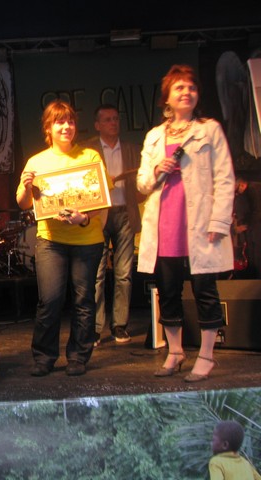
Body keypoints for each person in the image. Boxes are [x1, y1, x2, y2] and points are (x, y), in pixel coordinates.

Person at [136, 64, 234, 382]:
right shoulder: (154, 136)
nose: (187, 92)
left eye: (191, 87)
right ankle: (175, 351)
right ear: (167, 96)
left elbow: (225, 177)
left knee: (205, 288)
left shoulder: (209, 130)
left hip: (200, 221)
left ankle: (206, 355)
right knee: (168, 290)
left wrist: (219, 221)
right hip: (164, 221)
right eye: (179, 87)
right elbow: (141, 183)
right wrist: (157, 170)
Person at [16, 100, 109, 377]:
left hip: (87, 239)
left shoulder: (90, 157)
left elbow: (101, 199)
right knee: (50, 300)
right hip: (50, 240)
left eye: (70, 121)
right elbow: (22, 203)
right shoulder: (36, 162)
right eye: (59, 122)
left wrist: (84, 218)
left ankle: (78, 357)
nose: (66, 126)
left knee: (84, 301)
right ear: (48, 127)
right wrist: (26, 186)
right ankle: (44, 357)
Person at [81, 104, 143, 346]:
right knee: (96, 274)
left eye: (116, 119)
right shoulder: (88, 150)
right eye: (107, 119)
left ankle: (119, 325)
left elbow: (142, 183)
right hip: (99, 214)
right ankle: (96, 328)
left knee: (124, 273)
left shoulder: (130, 149)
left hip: (125, 212)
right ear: (97, 125)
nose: (113, 123)